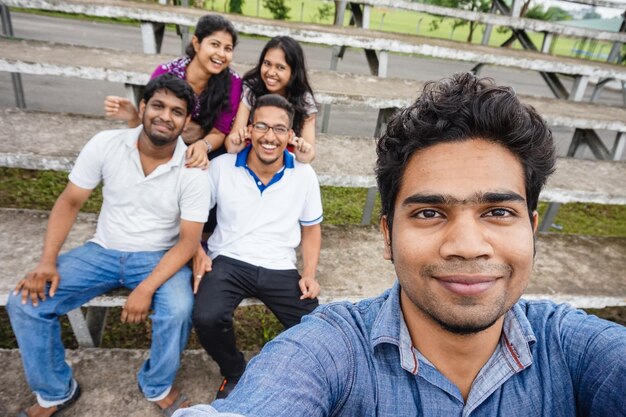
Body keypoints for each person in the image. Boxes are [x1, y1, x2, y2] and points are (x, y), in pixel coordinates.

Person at [173, 73, 626, 417]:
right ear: (387, 235)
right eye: (429, 212)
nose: (467, 246)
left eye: (498, 212)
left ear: (531, 227)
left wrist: (307, 273)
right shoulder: (331, 352)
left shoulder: (577, 350)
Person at [8, 74, 211, 417]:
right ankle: (56, 391)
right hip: (102, 250)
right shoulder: (107, 143)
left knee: (178, 309)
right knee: (24, 303)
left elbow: (188, 242)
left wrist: (146, 288)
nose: (165, 116)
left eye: (177, 111)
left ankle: (157, 384)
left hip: (158, 256)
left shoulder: (193, 170)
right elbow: (70, 201)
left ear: (186, 121)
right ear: (143, 108)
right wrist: (47, 261)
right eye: (158, 106)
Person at [191, 94, 323, 400]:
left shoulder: (303, 174)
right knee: (207, 316)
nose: (269, 136)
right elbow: (193, 214)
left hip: (279, 264)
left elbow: (312, 229)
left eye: (279, 129)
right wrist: (197, 249)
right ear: (248, 129)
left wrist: (310, 273)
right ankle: (235, 372)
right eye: (262, 126)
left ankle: (288, 375)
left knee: (317, 327)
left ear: (290, 136)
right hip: (229, 260)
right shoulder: (222, 166)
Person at [104, 14, 242, 167]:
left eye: (228, 48)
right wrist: (133, 117)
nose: (221, 54)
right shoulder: (166, 73)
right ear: (196, 43)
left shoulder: (233, 82)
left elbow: (219, 132)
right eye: (215, 45)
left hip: (207, 148)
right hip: (163, 143)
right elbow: (148, 125)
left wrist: (203, 146)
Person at [187, 35, 317, 168]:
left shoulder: (304, 99)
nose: (271, 72)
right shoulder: (252, 89)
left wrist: (303, 151)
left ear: (294, 72)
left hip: (282, 159)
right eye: (267, 64)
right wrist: (236, 142)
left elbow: (309, 153)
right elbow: (231, 144)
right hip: (249, 155)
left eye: (280, 67)